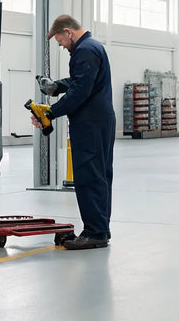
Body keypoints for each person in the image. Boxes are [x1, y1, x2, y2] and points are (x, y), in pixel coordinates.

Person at [34, 15, 115, 250]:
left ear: (68, 32)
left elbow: (81, 91)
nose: (62, 46)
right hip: (98, 121)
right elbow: (82, 81)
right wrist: (57, 86)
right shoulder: (92, 47)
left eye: (61, 42)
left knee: (89, 176)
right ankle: (100, 228)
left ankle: (95, 232)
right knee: (99, 175)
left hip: (90, 123)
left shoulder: (85, 51)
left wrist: (50, 113)